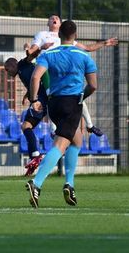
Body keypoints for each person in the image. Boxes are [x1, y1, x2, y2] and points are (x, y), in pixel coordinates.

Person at [26, 20, 98, 208]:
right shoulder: (83, 56)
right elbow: (93, 85)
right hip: (72, 103)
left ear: (59, 35)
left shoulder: (49, 54)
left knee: (77, 140)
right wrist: (82, 96)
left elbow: (35, 77)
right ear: (75, 35)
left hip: (54, 104)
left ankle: (69, 184)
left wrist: (34, 100)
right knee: (60, 145)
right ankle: (36, 183)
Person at [25, 14, 117, 136]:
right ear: (48, 23)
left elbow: (87, 48)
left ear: (61, 27)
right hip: (50, 70)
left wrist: (104, 43)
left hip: (67, 70)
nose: (54, 19)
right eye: (52, 18)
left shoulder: (69, 40)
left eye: (57, 18)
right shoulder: (42, 35)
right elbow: (32, 52)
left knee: (76, 95)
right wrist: (32, 49)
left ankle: (89, 125)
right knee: (54, 96)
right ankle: (53, 129)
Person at [4, 54, 48, 176]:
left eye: (7, 69)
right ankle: (33, 158)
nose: (7, 73)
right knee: (26, 127)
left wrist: (33, 50)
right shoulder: (21, 73)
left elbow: (30, 58)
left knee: (26, 126)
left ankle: (35, 156)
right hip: (41, 98)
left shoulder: (23, 64)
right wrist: (27, 95)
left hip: (40, 100)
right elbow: (32, 82)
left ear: (13, 65)